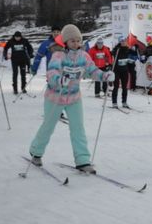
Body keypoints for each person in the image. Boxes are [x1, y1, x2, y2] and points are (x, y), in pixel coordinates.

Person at [28, 24, 114, 173]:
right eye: (72, 41)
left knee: (78, 128)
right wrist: (59, 79)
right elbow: (52, 72)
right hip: (55, 97)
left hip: (74, 97)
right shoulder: (58, 55)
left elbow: (92, 70)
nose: (76, 43)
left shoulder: (84, 56)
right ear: (65, 42)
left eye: (78, 40)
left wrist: (104, 76)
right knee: (48, 127)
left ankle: (82, 160)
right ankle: (36, 152)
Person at [110, 35, 135, 108]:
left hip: (124, 70)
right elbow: (111, 53)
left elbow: (134, 54)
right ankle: (114, 102)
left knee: (125, 87)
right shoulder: (117, 49)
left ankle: (124, 102)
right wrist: (114, 51)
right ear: (120, 42)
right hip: (117, 70)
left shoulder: (128, 49)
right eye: (122, 41)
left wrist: (135, 49)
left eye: (124, 41)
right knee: (116, 86)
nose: (123, 42)